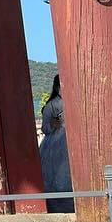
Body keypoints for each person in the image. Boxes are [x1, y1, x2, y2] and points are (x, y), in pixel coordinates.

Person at [38, 75, 73, 211]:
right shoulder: (51, 105)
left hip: (72, 139)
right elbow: (45, 128)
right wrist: (54, 124)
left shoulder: (74, 102)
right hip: (56, 143)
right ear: (57, 87)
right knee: (57, 172)